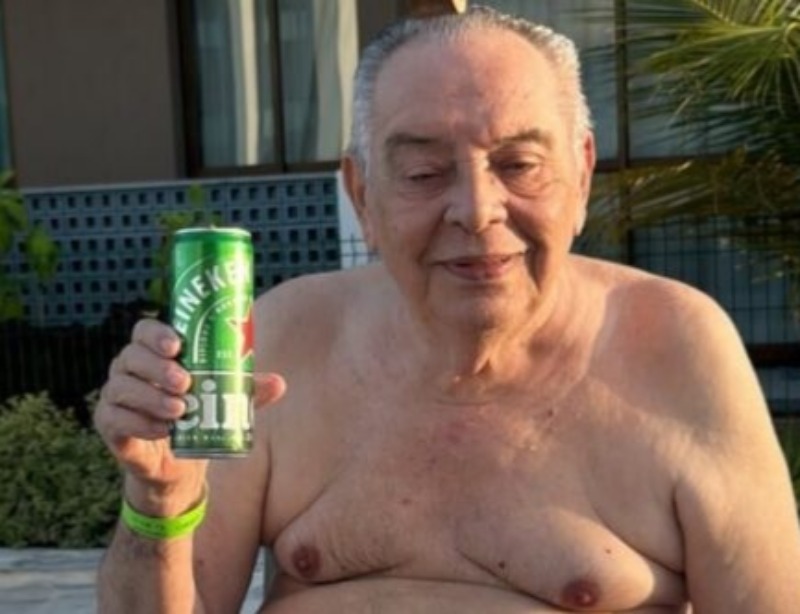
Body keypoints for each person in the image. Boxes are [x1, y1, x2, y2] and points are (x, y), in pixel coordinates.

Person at [94, 6, 800, 613]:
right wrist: (158, 505)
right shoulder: (288, 336)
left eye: (519, 166)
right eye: (425, 173)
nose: (476, 209)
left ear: (582, 175)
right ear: (362, 195)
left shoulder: (676, 345)